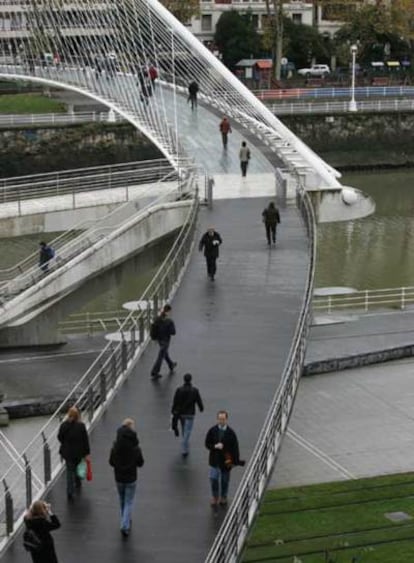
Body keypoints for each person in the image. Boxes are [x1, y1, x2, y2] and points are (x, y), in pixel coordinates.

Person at [109, 418, 144, 537]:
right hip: (131, 477)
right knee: (129, 501)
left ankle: (125, 518)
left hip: (118, 477)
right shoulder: (135, 447)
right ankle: (125, 524)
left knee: (122, 499)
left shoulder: (115, 446)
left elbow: (111, 462)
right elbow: (140, 463)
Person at [205, 411, 244, 508]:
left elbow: (235, 448)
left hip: (226, 461)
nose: (221, 421)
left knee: (225, 480)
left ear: (226, 419)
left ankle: (223, 496)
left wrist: (235, 461)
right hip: (214, 460)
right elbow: (207, 444)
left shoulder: (231, 433)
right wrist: (214, 446)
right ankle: (215, 497)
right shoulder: (212, 430)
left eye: (223, 419)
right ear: (217, 419)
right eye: (220, 419)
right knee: (213, 479)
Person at [57, 406, 90, 501]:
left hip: (67, 452)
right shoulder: (81, 426)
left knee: (69, 471)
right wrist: (87, 453)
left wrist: (65, 444)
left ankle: (70, 491)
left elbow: (59, 437)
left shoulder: (64, 425)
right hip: (79, 452)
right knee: (78, 467)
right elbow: (85, 440)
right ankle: (78, 481)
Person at [171, 373, 204, 457]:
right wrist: (201, 408)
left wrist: (173, 410)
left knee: (184, 429)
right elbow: (198, 401)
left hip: (181, 413)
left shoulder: (179, 390)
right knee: (187, 431)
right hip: (190, 413)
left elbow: (175, 401)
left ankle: (185, 443)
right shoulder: (195, 390)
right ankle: (184, 448)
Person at [150, 303, 177, 379]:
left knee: (164, 353)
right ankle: (154, 372)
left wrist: (153, 337)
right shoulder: (169, 321)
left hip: (159, 339)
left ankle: (171, 364)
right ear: (169, 311)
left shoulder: (157, 319)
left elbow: (153, 328)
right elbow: (173, 332)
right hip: (166, 340)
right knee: (161, 356)